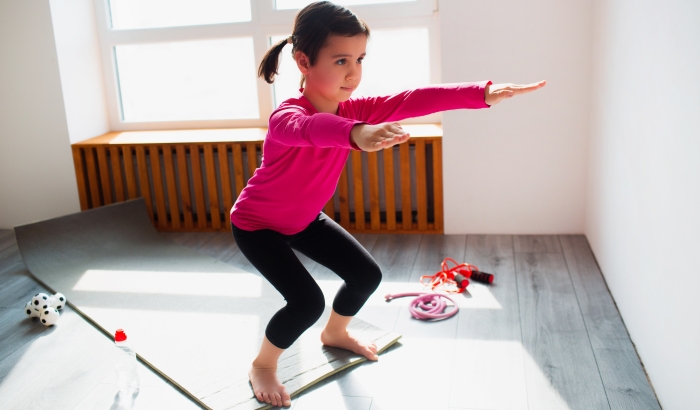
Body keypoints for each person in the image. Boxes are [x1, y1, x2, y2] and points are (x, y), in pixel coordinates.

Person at [230, 1, 546, 407]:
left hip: (304, 219)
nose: (353, 72)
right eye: (341, 59)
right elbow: (312, 129)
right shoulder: (287, 116)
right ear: (303, 61)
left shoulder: (354, 109)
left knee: (366, 275)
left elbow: (413, 98)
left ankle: (336, 333)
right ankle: (264, 364)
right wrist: (356, 134)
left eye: (360, 59)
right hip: (257, 225)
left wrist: (481, 93)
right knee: (307, 302)